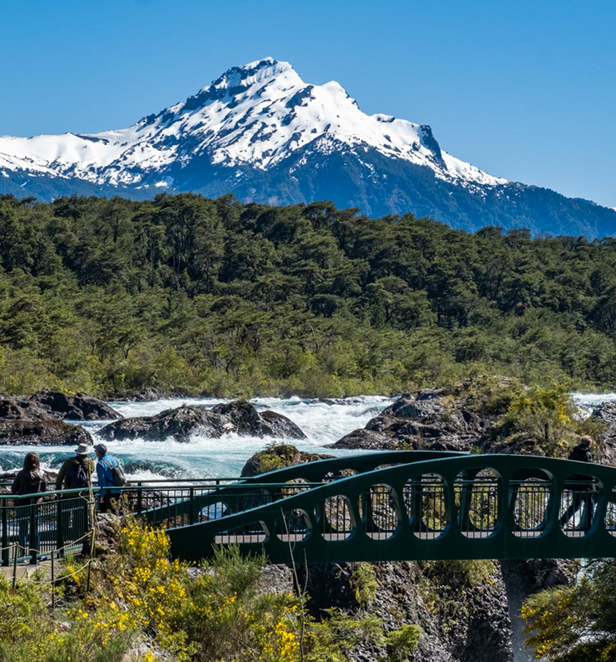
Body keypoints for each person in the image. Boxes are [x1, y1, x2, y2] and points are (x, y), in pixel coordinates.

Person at [55, 443, 95, 541]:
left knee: (65, 516)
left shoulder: (69, 462)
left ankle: (63, 535)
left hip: (68, 493)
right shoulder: (90, 463)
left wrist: (58, 489)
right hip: (82, 494)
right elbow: (91, 474)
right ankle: (78, 536)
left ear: (77, 453)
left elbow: (60, 476)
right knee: (80, 516)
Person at [11, 452, 47, 559]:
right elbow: (44, 490)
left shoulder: (21, 474)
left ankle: (22, 555)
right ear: (37, 463)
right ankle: (36, 553)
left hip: (22, 505)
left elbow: (13, 489)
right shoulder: (41, 474)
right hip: (36, 505)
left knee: (22, 530)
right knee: (35, 530)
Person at [559, 435, 597, 531]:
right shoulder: (587, 454)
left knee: (576, 505)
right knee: (590, 506)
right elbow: (588, 470)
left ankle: (561, 522)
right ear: (589, 445)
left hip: (576, 485)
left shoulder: (573, 453)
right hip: (586, 485)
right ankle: (588, 527)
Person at [94, 443, 124, 513]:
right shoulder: (114, 459)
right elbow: (121, 474)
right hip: (118, 490)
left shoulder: (100, 463)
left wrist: (101, 495)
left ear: (98, 453)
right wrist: (121, 490)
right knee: (116, 513)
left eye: (95, 451)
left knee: (107, 513)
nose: (95, 452)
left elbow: (102, 480)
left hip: (108, 492)